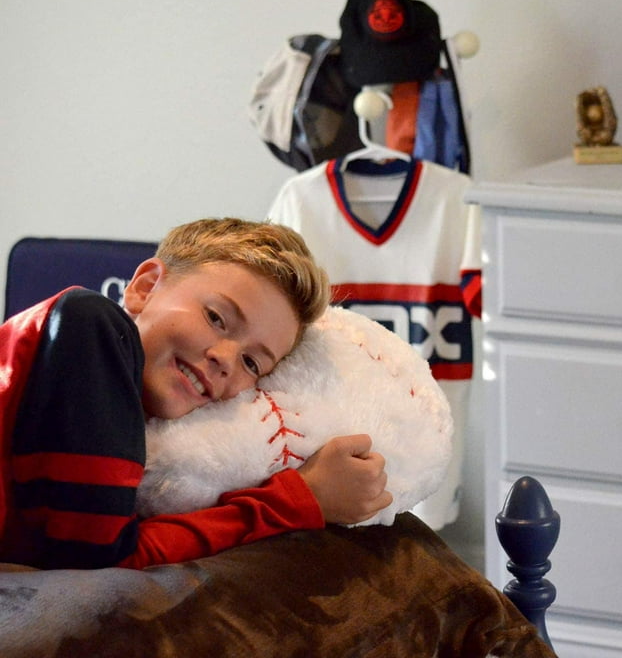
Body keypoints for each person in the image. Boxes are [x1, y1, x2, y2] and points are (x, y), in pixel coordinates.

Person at [0, 217, 392, 570]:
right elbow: (95, 561)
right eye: (216, 318)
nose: (225, 359)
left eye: (252, 363)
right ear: (145, 287)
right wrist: (300, 499)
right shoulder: (90, 323)